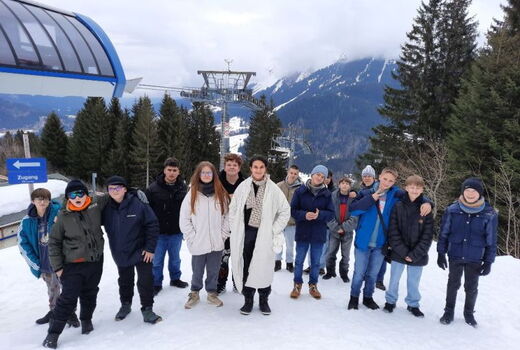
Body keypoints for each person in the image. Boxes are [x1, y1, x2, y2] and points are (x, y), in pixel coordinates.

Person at [347, 168, 432, 311]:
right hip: (363, 240)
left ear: (394, 182)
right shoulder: (365, 193)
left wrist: (428, 203)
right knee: (359, 273)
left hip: (381, 243)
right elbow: (353, 209)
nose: (387, 183)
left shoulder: (396, 194)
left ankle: (368, 297)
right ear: (379, 177)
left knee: (373, 274)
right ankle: (354, 297)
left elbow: (415, 194)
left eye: (391, 181)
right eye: (385, 179)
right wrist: (371, 198)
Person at [43, 180, 108, 348]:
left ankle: (86, 319)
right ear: (68, 197)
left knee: (90, 293)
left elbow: (115, 193)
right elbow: (54, 243)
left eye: (80, 193)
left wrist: (135, 192)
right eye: (72, 195)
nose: (77, 197)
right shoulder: (63, 216)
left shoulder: (95, 206)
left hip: (95, 262)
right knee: (67, 299)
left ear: (86, 194)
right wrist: (57, 267)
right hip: (72, 266)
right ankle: (53, 333)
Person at [229, 155, 290, 315]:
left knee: (264, 267)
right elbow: (233, 209)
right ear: (250, 168)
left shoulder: (273, 189)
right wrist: (234, 228)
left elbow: (285, 211)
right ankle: (248, 300)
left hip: (264, 235)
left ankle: (264, 300)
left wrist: (273, 230)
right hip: (246, 234)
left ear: (265, 169)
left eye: (261, 167)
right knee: (247, 266)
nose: (258, 170)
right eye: (255, 167)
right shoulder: (243, 187)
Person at [437, 178, 497, 327]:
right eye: (467, 190)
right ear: (463, 192)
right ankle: (448, 311)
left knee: (471, 287)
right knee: (453, 284)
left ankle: (468, 313)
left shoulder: (489, 214)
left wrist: (489, 261)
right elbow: (444, 233)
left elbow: (491, 240)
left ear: (480, 193)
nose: (470, 194)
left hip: (475, 257)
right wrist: (440, 253)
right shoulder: (452, 210)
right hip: (455, 253)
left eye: (474, 191)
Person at [102, 176, 162, 324]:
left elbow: (152, 225)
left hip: (141, 251)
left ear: (124, 189)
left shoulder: (138, 204)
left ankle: (147, 309)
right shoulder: (105, 208)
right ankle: (125, 305)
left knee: (145, 281)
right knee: (124, 281)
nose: (114, 191)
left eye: (118, 188)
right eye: (111, 188)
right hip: (120, 251)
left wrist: (150, 248)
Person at [17, 188, 79, 327]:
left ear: (49, 200)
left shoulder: (60, 214)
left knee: (68, 289)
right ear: (33, 201)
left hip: (63, 262)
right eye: (39, 199)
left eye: (45, 198)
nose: (42, 201)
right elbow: (22, 243)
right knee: (52, 290)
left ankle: (70, 313)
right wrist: (36, 264)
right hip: (45, 263)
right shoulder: (26, 222)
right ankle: (54, 312)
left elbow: (73, 233)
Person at [180, 162, 230, 309]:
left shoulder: (221, 193)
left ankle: (211, 293)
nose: (206, 175)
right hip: (198, 241)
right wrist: (192, 237)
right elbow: (184, 218)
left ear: (214, 175)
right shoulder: (192, 194)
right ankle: (194, 293)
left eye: (209, 173)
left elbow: (228, 216)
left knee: (214, 269)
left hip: (216, 241)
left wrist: (223, 234)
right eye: (203, 173)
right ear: (199, 175)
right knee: (197, 269)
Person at [383, 175, 434, 317]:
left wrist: (414, 254)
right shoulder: (398, 206)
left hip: (418, 254)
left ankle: (413, 304)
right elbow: (393, 231)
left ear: (422, 189)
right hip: (399, 251)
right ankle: (390, 301)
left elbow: (427, 235)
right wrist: (403, 252)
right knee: (394, 279)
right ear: (406, 188)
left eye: (418, 188)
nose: (414, 190)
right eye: (412, 187)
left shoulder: (425, 209)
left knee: (413, 281)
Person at [290, 165, 335, 299]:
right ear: (312, 174)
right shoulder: (300, 191)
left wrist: (319, 215)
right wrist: (304, 215)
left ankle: (313, 285)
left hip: (318, 233)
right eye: (318, 175)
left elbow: (331, 214)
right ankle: (297, 284)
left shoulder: (327, 194)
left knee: (315, 262)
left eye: (322, 176)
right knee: (299, 261)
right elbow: (292, 210)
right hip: (303, 231)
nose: (319, 178)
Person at [146, 157, 189, 295]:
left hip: (176, 231)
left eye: (174, 170)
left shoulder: (183, 188)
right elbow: (147, 211)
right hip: (159, 233)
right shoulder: (153, 188)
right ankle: (156, 283)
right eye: (169, 170)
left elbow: (187, 209)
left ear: (178, 172)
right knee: (157, 261)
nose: (171, 173)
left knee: (175, 258)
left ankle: (175, 279)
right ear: (164, 170)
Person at [217, 153, 245, 294]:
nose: (232, 167)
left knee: (239, 256)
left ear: (239, 168)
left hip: (239, 226)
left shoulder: (245, 183)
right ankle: (220, 283)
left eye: (235, 165)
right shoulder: (217, 182)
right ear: (225, 166)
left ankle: (237, 282)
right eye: (229, 164)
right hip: (221, 225)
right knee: (223, 257)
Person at [323, 177, 358, 283]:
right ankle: (330, 271)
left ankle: (344, 273)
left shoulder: (353, 198)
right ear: (339, 185)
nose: (344, 185)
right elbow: (328, 213)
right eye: (342, 183)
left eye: (347, 183)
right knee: (330, 252)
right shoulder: (332, 196)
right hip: (334, 231)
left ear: (350, 186)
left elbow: (355, 216)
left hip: (347, 232)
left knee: (346, 255)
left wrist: (344, 227)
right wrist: (336, 227)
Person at [275, 164, 302, 272]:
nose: (293, 175)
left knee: (290, 244)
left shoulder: (300, 188)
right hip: (279, 221)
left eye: (295, 174)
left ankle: (289, 263)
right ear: (288, 173)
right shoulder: (279, 186)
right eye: (291, 173)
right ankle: (277, 262)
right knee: (278, 243)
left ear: (298, 175)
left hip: (292, 222)